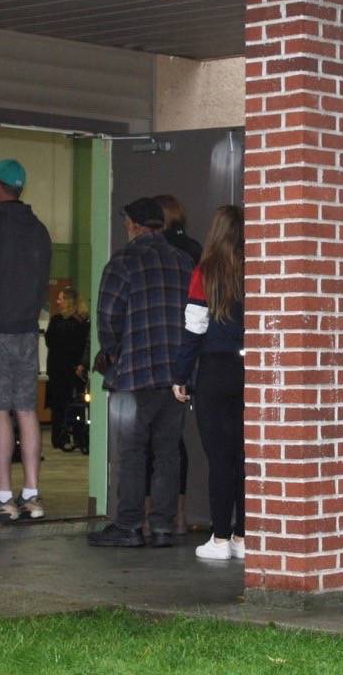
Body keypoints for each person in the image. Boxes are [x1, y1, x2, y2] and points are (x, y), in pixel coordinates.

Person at [88, 197, 193, 548]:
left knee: (131, 452)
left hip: (133, 376)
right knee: (167, 452)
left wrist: (114, 353)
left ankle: (129, 524)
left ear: (133, 225)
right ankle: (162, 525)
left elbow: (108, 318)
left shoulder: (122, 262)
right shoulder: (182, 262)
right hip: (175, 376)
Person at [171, 205, 246, 561]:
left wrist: (180, 375)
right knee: (246, 457)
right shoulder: (255, 271)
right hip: (249, 371)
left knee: (220, 459)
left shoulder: (204, 273)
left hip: (214, 372)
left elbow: (194, 329)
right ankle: (245, 536)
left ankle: (220, 537)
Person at [0, 159, 53, 524]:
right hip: (28, 331)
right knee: (26, 410)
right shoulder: (39, 230)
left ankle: (3, 496)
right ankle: (32, 494)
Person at [143, 194, 199, 535]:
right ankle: (178, 515)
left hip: (160, 351)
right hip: (189, 351)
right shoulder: (195, 250)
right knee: (174, 441)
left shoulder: (155, 253)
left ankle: (152, 516)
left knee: (152, 441)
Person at [45, 287, 90, 450]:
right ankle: (66, 437)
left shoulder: (68, 322)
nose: (58, 301)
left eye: (60, 298)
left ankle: (68, 437)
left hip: (67, 369)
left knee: (68, 404)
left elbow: (51, 342)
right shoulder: (77, 322)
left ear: (68, 301)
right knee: (64, 405)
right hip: (65, 369)